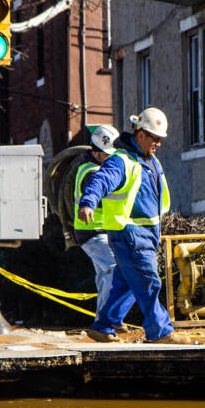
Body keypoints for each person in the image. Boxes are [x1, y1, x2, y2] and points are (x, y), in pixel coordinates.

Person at [77, 107, 192, 345]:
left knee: (127, 281)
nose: (159, 144)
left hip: (144, 234)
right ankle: (160, 331)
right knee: (149, 281)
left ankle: (104, 324)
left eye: (161, 139)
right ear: (140, 134)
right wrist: (88, 202)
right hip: (130, 233)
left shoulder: (148, 160)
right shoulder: (122, 161)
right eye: (155, 138)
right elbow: (101, 179)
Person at [72, 124, 133, 342]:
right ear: (96, 152)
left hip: (92, 231)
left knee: (104, 276)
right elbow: (102, 194)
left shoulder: (91, 167)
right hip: (93, 231)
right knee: (116, 270)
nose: (110, 159)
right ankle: (108, 321)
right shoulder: (93, 172)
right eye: (107, 155)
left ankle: (104, 321)